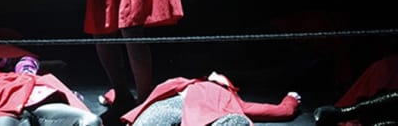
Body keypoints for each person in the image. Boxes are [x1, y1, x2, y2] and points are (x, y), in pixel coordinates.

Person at [0, 55, 102, 126]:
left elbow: (35, 65)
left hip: (36, 100)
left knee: (90, 121)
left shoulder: (17, 76)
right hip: (0, 110)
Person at [121, 71, 301, 126]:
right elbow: (149, 96)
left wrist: (291, 100)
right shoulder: (184, 83)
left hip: (203, 117)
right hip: (173, 104)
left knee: (236, 122)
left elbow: (277, 111)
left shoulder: (230, 96)